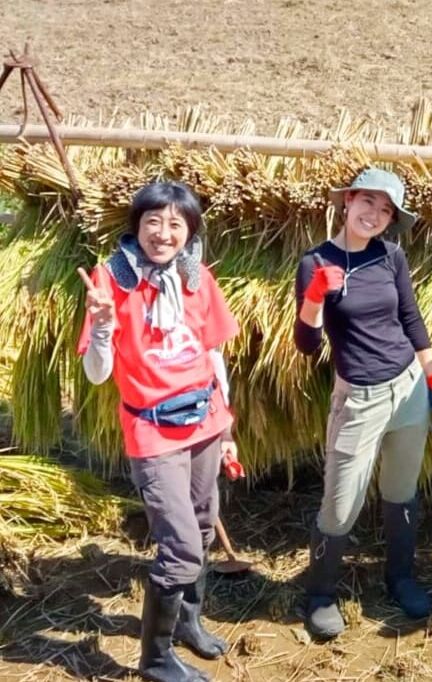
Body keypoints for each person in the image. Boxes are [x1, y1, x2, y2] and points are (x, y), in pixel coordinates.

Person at [77, 182, 240, 682]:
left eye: (175, 224)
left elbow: (213, 354)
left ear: (189, 231)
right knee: (182, 548)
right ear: (137, 225)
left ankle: (188, 622)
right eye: (153, 221)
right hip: (154, 431)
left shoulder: (196, 276)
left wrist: (226, 427)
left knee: (204, 524)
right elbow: (97, 374)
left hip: (205, 421)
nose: (163, 233)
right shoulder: (112, 280)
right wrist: (102, 326)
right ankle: (155, 660)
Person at [294, 168, 432, 639]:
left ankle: (400, 577)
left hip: (408, 389)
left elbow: (411, 318)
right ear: (348, 201)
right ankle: (321, 593)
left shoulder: (391, 256)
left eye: (386, 210)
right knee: (341, 504)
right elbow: (307, 345)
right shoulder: (315, 261)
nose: (375, 215)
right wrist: (315, 297)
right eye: (368, 202)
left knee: (401, 490)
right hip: (358, 398)